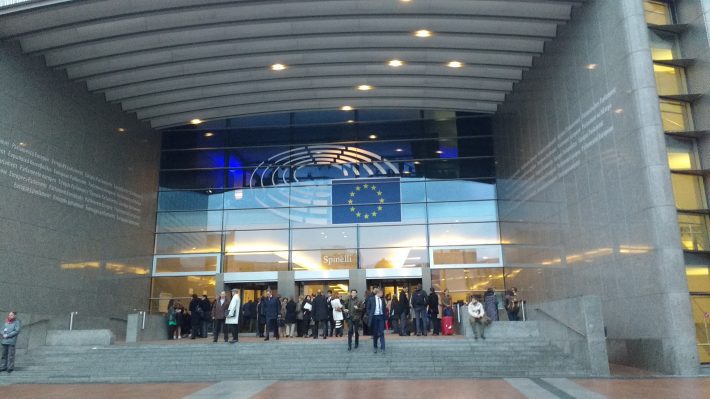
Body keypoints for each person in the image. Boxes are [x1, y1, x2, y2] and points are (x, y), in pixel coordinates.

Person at [366, 288, 386, 354]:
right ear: (378, 293)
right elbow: (368, 308)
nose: (382, 294)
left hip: (381, 317)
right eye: (381, 293)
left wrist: (385, 318)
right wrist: (369, 315)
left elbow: (384, 309)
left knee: (382, 332)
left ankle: (383, 347)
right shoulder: (371, 299)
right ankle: (375, 346)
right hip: (374, 317)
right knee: (375, 333)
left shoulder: (382, 300)